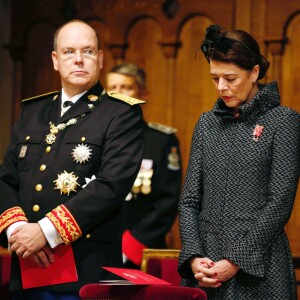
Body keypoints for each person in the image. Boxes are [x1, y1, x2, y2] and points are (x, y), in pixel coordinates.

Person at [0, 20, 144, 299]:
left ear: (100, 59)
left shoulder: (120, 113)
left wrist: (45, 231)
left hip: (85, 271)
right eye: (68, 52)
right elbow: (6, 178)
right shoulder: (33, 111)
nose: (78, 59)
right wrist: (19, 232)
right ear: (55, 60)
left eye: (88, 51)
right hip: (28, 265)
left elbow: (110, 185)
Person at [178, 24, 300, 299]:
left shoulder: (283, 122)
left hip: (259, 269)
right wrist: (195, 257)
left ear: (254, 72)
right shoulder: (206, 124)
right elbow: (189, 201)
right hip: (206, 270)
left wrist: (236, 261)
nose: (222, 87)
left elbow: (279, 203)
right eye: (215, 78)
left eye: (230, 78)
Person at [106, 63, 182, 268]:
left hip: (141, 251)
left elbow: (167, 201)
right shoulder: (94, 140)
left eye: (126, 87)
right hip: (96, 248)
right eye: (112, 88)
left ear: (143, 94)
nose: (118, 94)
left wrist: (131, 246)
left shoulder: (161, 141)